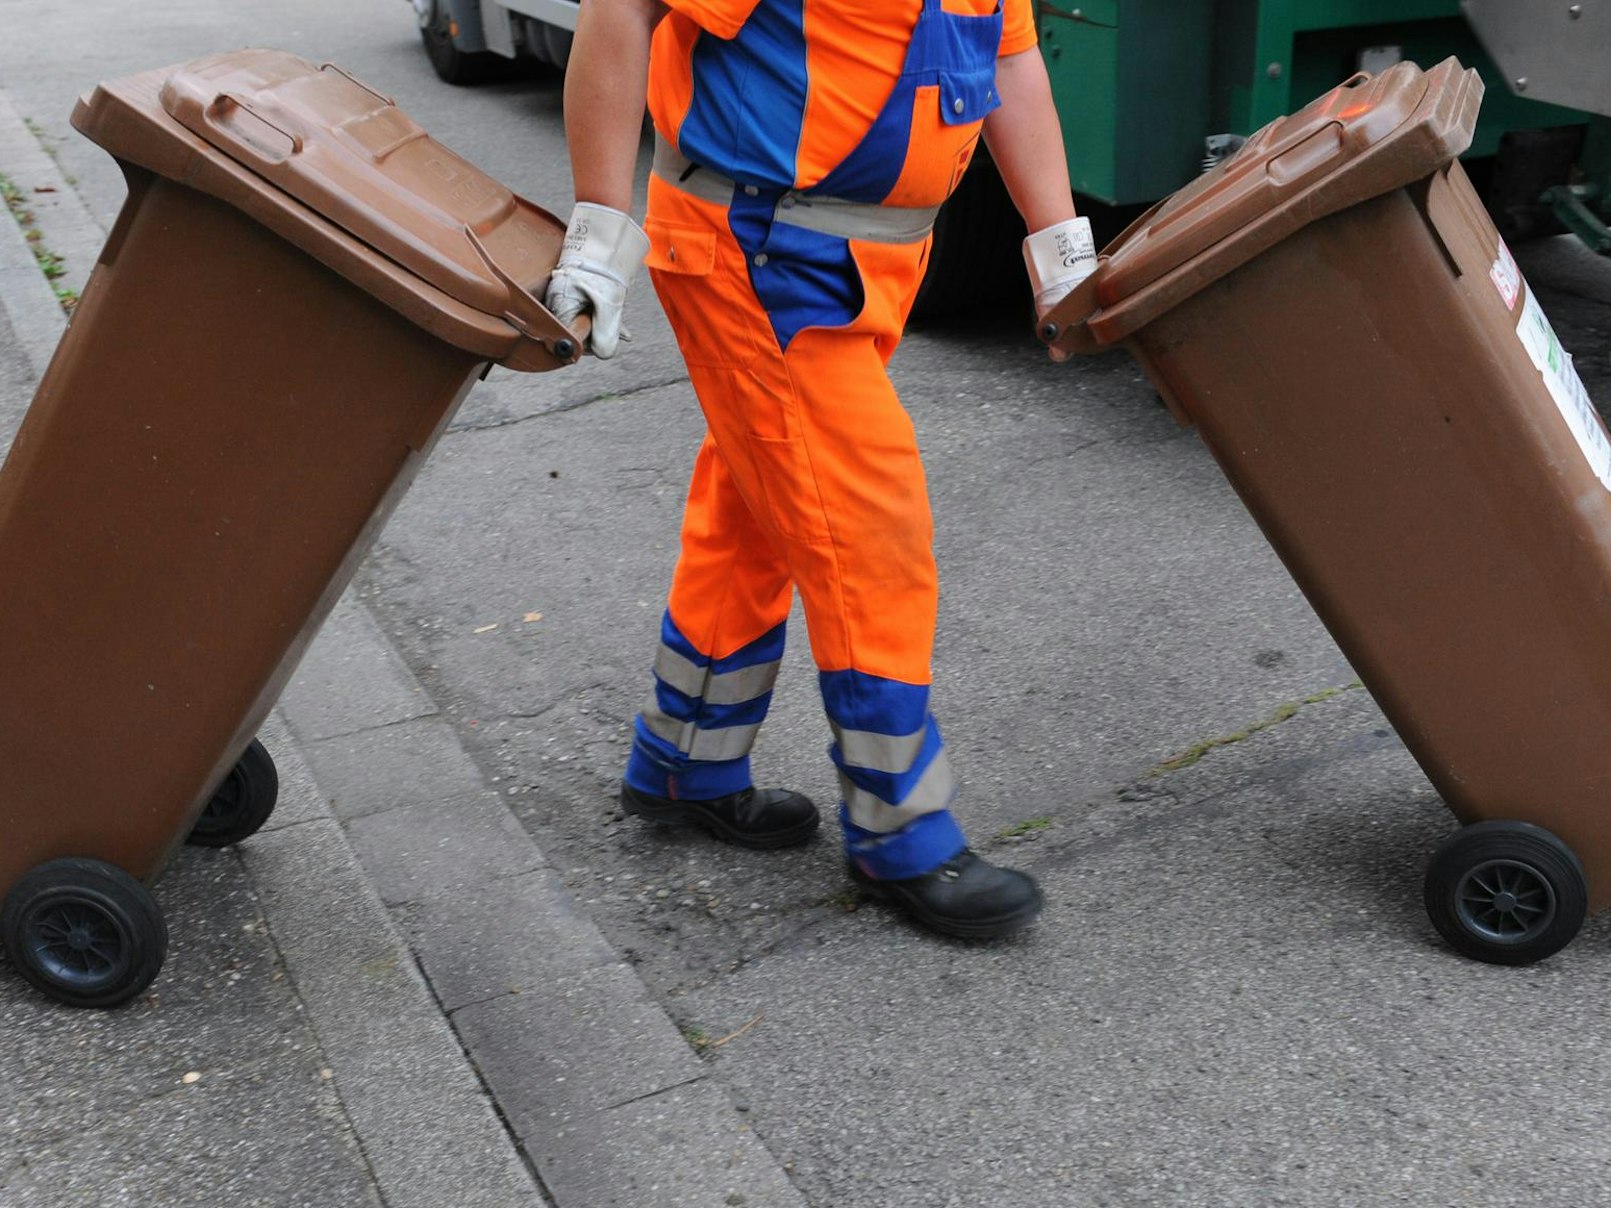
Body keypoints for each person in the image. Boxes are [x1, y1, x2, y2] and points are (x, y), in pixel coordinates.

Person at [545, 0, 1095, 938]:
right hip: (761, 255)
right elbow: (622, 9)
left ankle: (685, 762)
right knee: (867, 528)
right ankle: (901, 829)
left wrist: (1060, 253)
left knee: (762, 506)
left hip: (863, 262)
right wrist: (598, 233)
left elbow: (1009, 63)